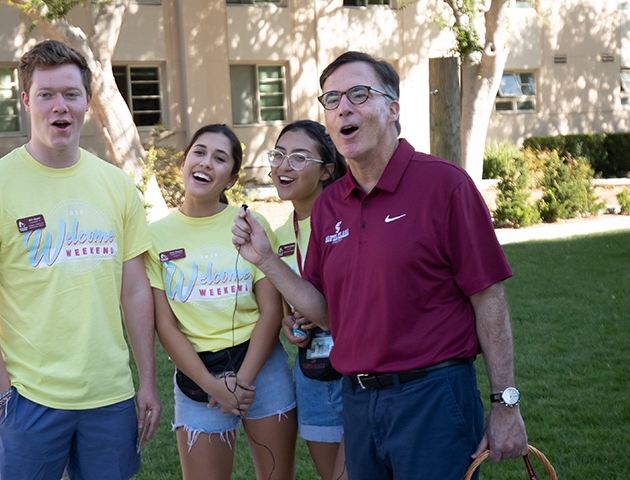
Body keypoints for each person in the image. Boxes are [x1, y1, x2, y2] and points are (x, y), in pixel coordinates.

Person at [232, 51, 528, 480]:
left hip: (433, 398)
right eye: (331, 100)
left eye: (358, 94)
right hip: (358, 399)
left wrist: (505, 402)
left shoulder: (445, 185)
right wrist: (266, 261)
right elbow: (329, 313)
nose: (343, 107)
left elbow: (489, 297)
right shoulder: (331, 203)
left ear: (393, 109)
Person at [0, 39, 161, 480]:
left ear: (87, 101)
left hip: (110, 396)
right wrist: (2, 397)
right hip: (30, 399)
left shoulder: (117, 186)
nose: (59, 106)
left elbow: (136, 289)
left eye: (70, 94)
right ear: (26, 100)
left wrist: (146, 380)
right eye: (46, 94)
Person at [145, 124, 297, 480]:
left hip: (262, 368)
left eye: (220, 158)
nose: (206, 163)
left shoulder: (250, 224)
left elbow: (271, 311)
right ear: (183, 162)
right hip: (198, 377)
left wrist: (242, 383)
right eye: (199, 152)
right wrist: (215, 387)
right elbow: (165, 326)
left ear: (231, 179)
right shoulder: (154, 237)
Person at [268, 120, 348, 480]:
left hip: (356, 371)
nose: (284, 166)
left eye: (299, 158)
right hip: (312, 373)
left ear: (327, 171)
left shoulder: (348, 221)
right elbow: (288, 308)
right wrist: (290, 323)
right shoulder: (279, 235)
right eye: (279, 155)